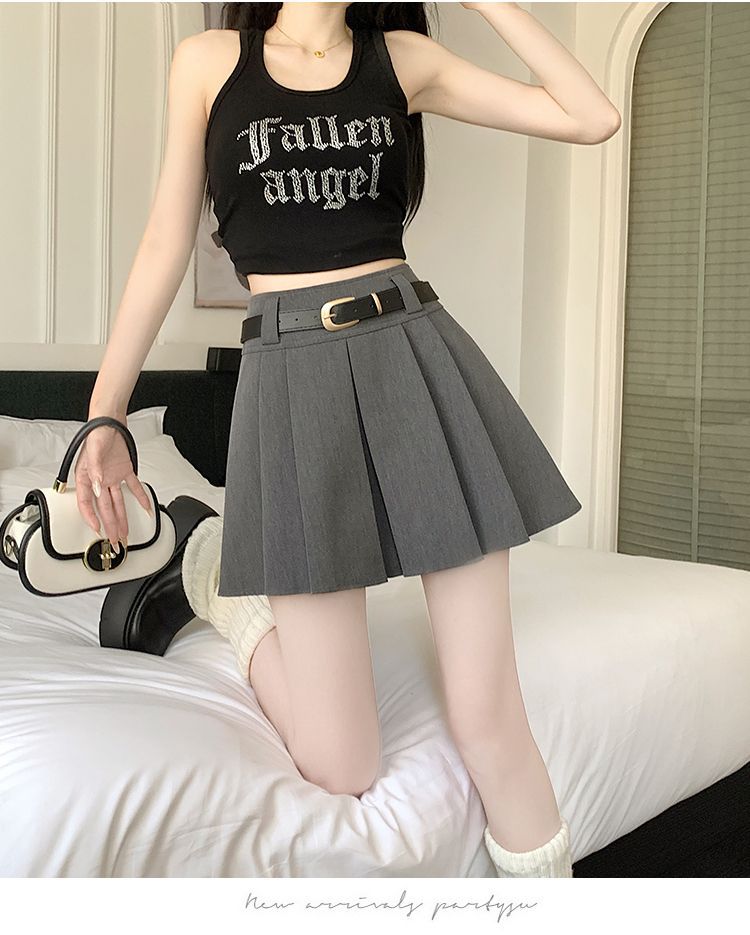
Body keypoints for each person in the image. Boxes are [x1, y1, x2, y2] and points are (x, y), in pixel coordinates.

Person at [75, 2, 620, 878]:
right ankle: (224, 590)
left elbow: (591, 117)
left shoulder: (402, 58)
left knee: (489, 719)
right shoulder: (210, 62)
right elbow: (162, 244)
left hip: (417, 358)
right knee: (342, 763)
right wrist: (105, 415)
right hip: (292, 380)